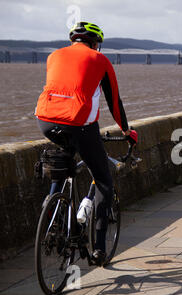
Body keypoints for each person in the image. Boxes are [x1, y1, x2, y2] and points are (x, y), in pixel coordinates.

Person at [35, 22, 137, 266]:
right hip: (79, 123)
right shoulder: (100, 60)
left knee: (63, 163)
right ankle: (100, 248)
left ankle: (53, 219)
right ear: (95, 43)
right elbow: (114, 101)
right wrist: (127, 130)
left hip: (45, 120)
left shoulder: (54, 56)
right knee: (103, 180)